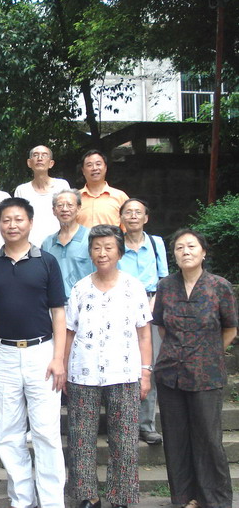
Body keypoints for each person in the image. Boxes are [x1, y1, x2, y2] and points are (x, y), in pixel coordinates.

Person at [0, 197, 67, 508]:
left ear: (30, 223)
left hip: (42, 353)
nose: (12, 225)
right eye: (6, 220)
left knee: (46, 433)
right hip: (1, 353)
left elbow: (58, 312)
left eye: (18, 219)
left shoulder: (47, 262)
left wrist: (59, 358)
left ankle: (52, 502)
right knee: (8, 433)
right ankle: (22, 500)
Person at [65, 224, 153, 508]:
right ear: (90, 252)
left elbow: (144, 334)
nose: (102, 253)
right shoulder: (80, 288)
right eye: (96, 247)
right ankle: (87, 496)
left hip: (124, 373)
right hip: (83, 373)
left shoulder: (133, 287)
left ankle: (121, 496)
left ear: (119, 252)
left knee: (125, 439)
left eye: (108, 247)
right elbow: (69, 331)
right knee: (81, 438)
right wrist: (64, 368)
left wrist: (146, 372)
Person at [153, 229, 237, 508]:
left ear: (203, 252)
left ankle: (215, 500)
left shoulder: (219, 286)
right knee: (176, 438)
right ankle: (185, 497)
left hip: (206, 373)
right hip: (170, 374)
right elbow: (162, 327)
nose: (185, 251)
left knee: (209, 439)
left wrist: (208, 352)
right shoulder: (165, 286)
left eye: (191, 246)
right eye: (179, 248)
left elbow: (230, 329)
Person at [118, 198, 169, 445]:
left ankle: (146, 425)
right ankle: (122, 423)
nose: (133, 216)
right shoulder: (116, 244)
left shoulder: (157, 243)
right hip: (120, 305)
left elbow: (164, 279)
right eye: (128, 212)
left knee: (149, 365)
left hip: (151, 304)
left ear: (146, 218)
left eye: (138, 212)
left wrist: (155, 302)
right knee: (121, 364)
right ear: (121, 218)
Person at [41, 189, 94, 299]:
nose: (65, 209)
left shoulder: (91, 238)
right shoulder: (47, 243)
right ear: (54, 211)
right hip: (56, 303)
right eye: (60, 205)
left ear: (78, 209)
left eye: (70, 205)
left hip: (85, 301)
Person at [14, 145, 71, 247]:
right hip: (30, 246)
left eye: (44, 155)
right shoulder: (21, 190)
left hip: (58, 244)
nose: (40, 158)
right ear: (29, 163)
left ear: (51, 163)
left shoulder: (62, 185)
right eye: (36, 155)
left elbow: (70, 215)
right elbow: (18, 219)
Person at [76, 150, 129, 228]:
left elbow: (127, 229)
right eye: (89, 165)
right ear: (83, 171)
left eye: (98, 164)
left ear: (105, 167)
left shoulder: (120, 197)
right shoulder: (75, 198)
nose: (94, 168)